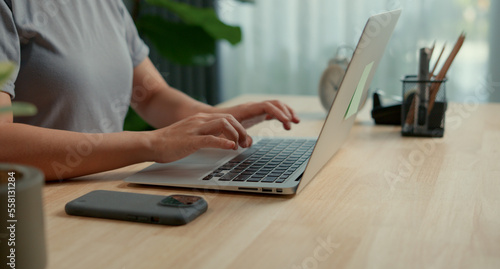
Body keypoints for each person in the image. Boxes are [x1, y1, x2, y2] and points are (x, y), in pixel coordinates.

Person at [0, 0, 300, 181]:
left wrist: (216, 117)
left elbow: (152, 95)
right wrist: (152, 143)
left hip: (103, 191)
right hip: (32, 210)